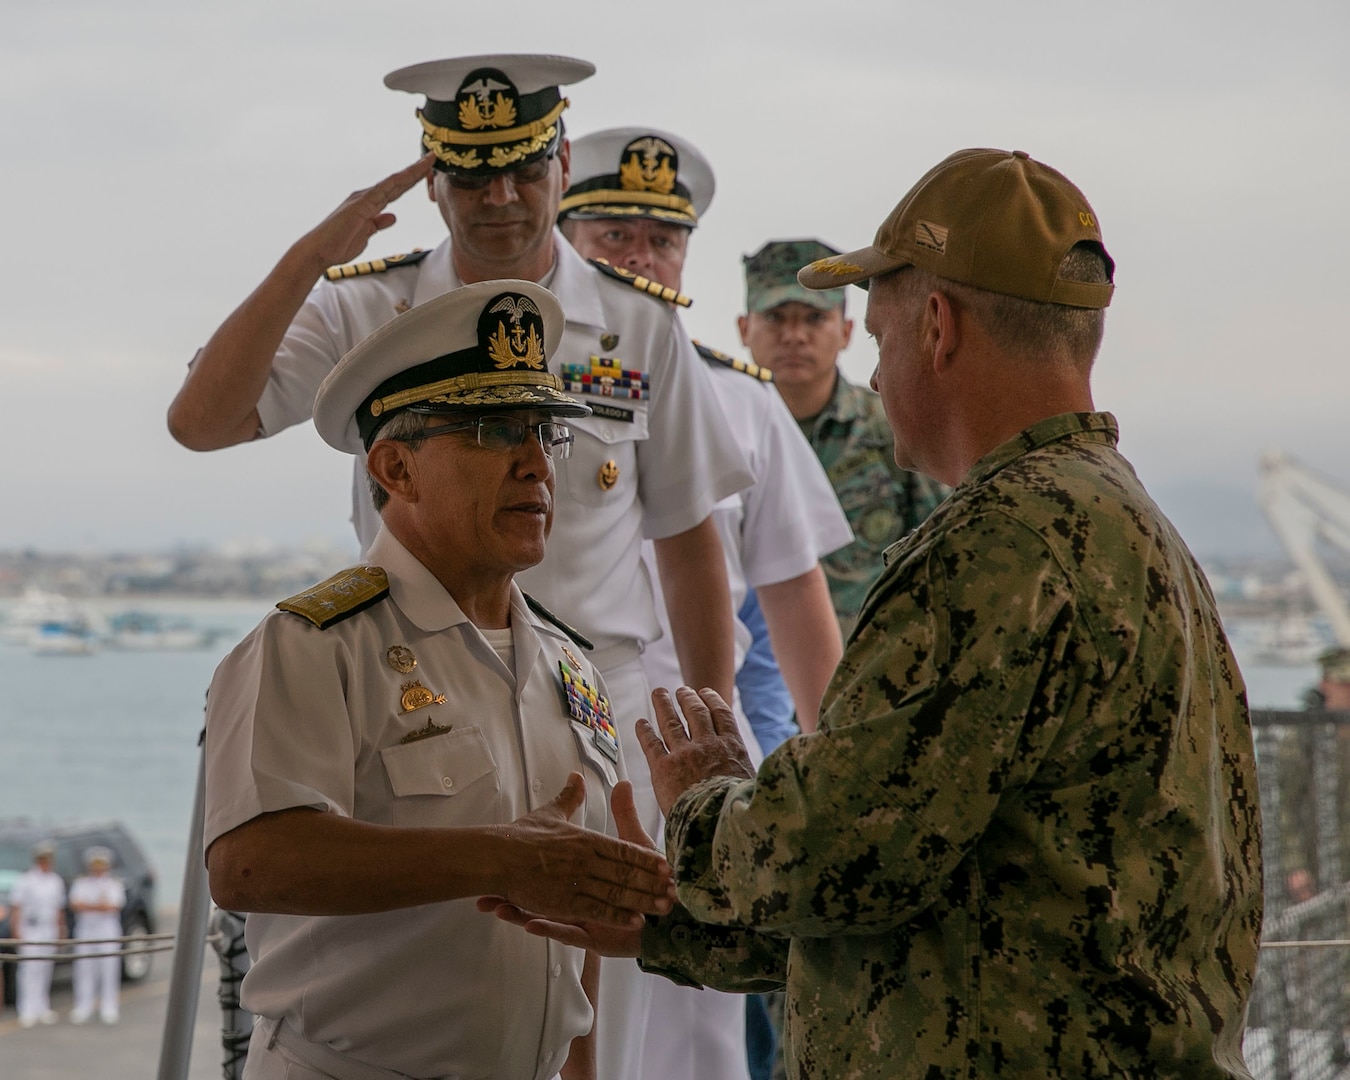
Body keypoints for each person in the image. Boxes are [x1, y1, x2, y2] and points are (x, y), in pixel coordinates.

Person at [491, 148, 1265, 1078]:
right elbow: (934, 886)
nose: (872, 377)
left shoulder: (1002, 548)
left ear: (937, 326)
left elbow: (826, 854)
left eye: (879, 338)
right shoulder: (1117, 519)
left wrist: (700, 802)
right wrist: (667, 932)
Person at [167, 62, 751, 1074]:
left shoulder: (637, 319)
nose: (502, 198)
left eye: (524, 170)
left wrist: (708, 725)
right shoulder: (371, 307)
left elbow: (688, 534)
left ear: (563, 164)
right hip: (408, 683)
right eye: (471, 175)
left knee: (594, 1012)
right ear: (432, 179)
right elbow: (202, 422)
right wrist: (312, 256)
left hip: (588, 696)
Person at [202, 280, 676, 1080]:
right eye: (494, 431)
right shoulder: (312, 647)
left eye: (544, 433)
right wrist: (499, 858)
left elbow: (570, 910)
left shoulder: (570, 665)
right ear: (396, 467)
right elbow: (250, 862)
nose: (536, 463)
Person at [558, 127, 850, 1080]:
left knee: (696, 1043)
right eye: (614, 234)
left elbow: (797, 603)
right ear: (565, 235)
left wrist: (839, 776)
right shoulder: (506, 386)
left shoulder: (748, 407)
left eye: (663, 240)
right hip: (546, 741)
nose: (642, 258)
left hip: (695, 756)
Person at [738, 239, 948, 637]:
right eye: (776, 318)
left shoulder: (892, 428)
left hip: (866, 669)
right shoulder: (721, 433)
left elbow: (943, 551)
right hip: (747, 677)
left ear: (847, 331)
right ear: (745, 328)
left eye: (814, 318)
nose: (795, 335)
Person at [10, 840, 65, 1028]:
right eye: (43, 859)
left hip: (48, 928)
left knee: (45, 968)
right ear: (37, 859)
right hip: (30, 928)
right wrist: (16, 930)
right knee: (29, 970)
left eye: (48, 859)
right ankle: (26, 1009)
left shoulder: (55, 881)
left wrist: (60, 930)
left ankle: (42, 1006)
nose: (46, 862)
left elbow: (59, 909)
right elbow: (16, 907)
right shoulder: (26, 880)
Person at [68, 846, 126, 1025]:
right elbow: (75, 905)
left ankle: (109, 1006)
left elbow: (114, 906)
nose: (98, 868)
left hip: (107, 930)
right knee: (84, 968)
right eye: (95, 865)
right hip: (86, 929)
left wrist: (90, 906)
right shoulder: (81, 883)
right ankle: (83, 1005)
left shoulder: (114, 884)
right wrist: (97, 906)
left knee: (108, 969)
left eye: (101, 865)